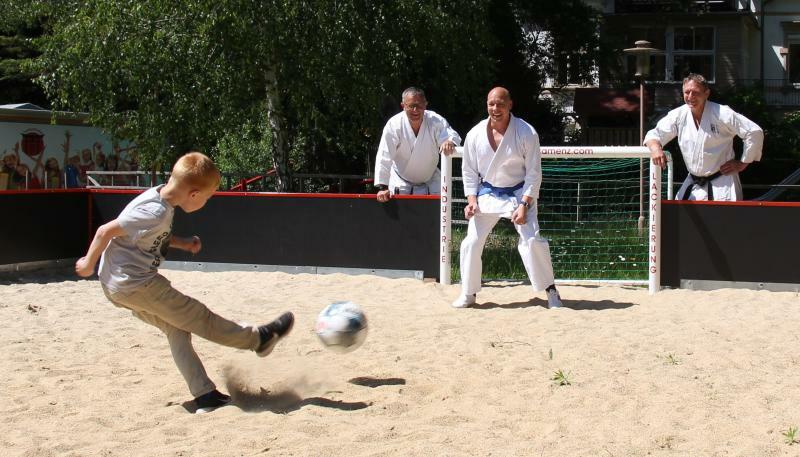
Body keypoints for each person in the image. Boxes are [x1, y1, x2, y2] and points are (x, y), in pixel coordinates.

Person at [75, 151, 294, 413]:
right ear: (193, 194)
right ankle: (258, 339)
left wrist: (182, 242)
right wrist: (88, 263)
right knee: (199, 317)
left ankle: (204, 396)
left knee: (177, 328)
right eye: (207, 197)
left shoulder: (159, 198)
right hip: (135, 284)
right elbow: (105, 231)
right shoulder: (154, 211)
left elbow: (146, 236)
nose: (207, 202)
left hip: (119, 286)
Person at [452, 87, 563, 309]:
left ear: (510, 105)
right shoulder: (474, 134)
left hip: (520, 194)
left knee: (532, 241)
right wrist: (471, 202)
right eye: (491, 104)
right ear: (486, 105)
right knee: (471, 241)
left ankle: (551, 291)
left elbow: (534, 173)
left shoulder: (526, 132)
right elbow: (469, 172)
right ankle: (469, 292)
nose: (495, 108)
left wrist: (524, 204)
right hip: (488, 193)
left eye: (500, 104)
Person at [645, 73, 764, 201]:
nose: (690, 97)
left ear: (706, 93)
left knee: (723, 221)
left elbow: (754, 131)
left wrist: (743, 163)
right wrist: (656, 148)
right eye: (687, 92)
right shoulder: (679, 115)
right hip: (694, 183)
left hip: (723, 184)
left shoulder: (722, 113)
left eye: (695, 92)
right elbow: (654, 134)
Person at [373, 87, 461, 201]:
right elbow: (384, 155)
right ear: (403, 106)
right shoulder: (394, 125)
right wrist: (382, 187)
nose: (415, 110)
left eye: (419, 106)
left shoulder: (434, 120)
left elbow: (450, 135)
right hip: (400, 183)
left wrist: (449, 142)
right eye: (411, 106)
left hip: (431, 181)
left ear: (425, 105)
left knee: (433, 218)